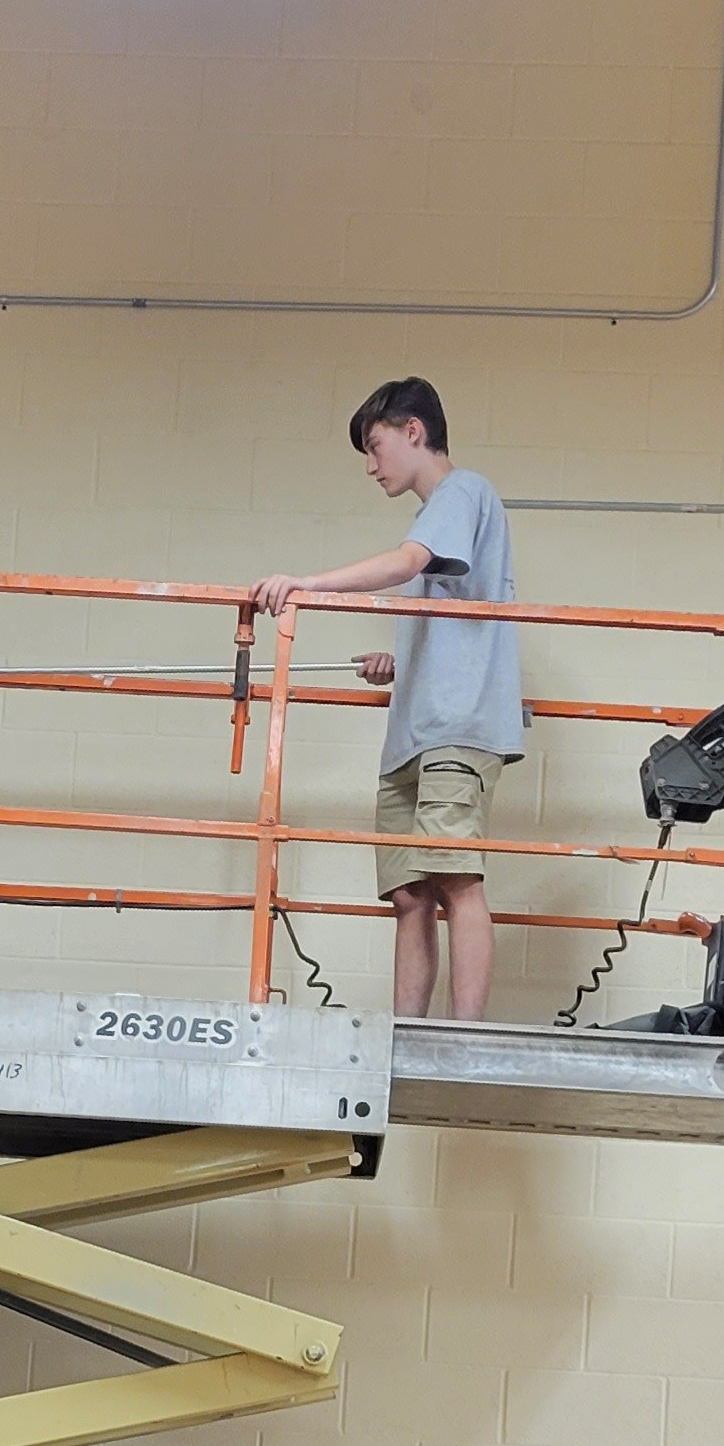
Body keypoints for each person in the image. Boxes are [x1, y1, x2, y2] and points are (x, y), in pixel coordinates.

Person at [251, 377, 523, 1020]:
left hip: (458, 725)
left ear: (414, 432)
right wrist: (401, 662)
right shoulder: (440, 518)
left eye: (375, 448)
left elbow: (405, 564)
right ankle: (407, 1029)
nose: (372, 467)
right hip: (416, 728)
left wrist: (307, 586)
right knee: (408, 892)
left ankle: (464, 1034)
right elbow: (457, 613)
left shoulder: (462, 491)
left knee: (455, 875)